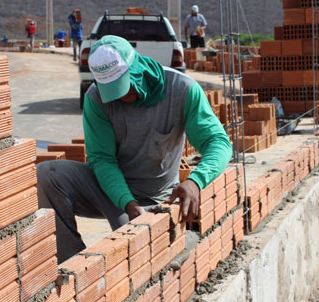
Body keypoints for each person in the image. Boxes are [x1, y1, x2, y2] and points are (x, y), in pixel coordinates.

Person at [37, 35, 232, 261]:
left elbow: (218, 142)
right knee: (47, 175)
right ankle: (72, 268)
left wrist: (196, 181)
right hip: (108, 191)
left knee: (138, 258)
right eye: (111, 91)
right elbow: (102, 159)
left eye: (123, 88)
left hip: (154, 197)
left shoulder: (182, 89)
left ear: (137, 68)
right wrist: (127, 203)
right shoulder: (96, 98)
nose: (119, 98)